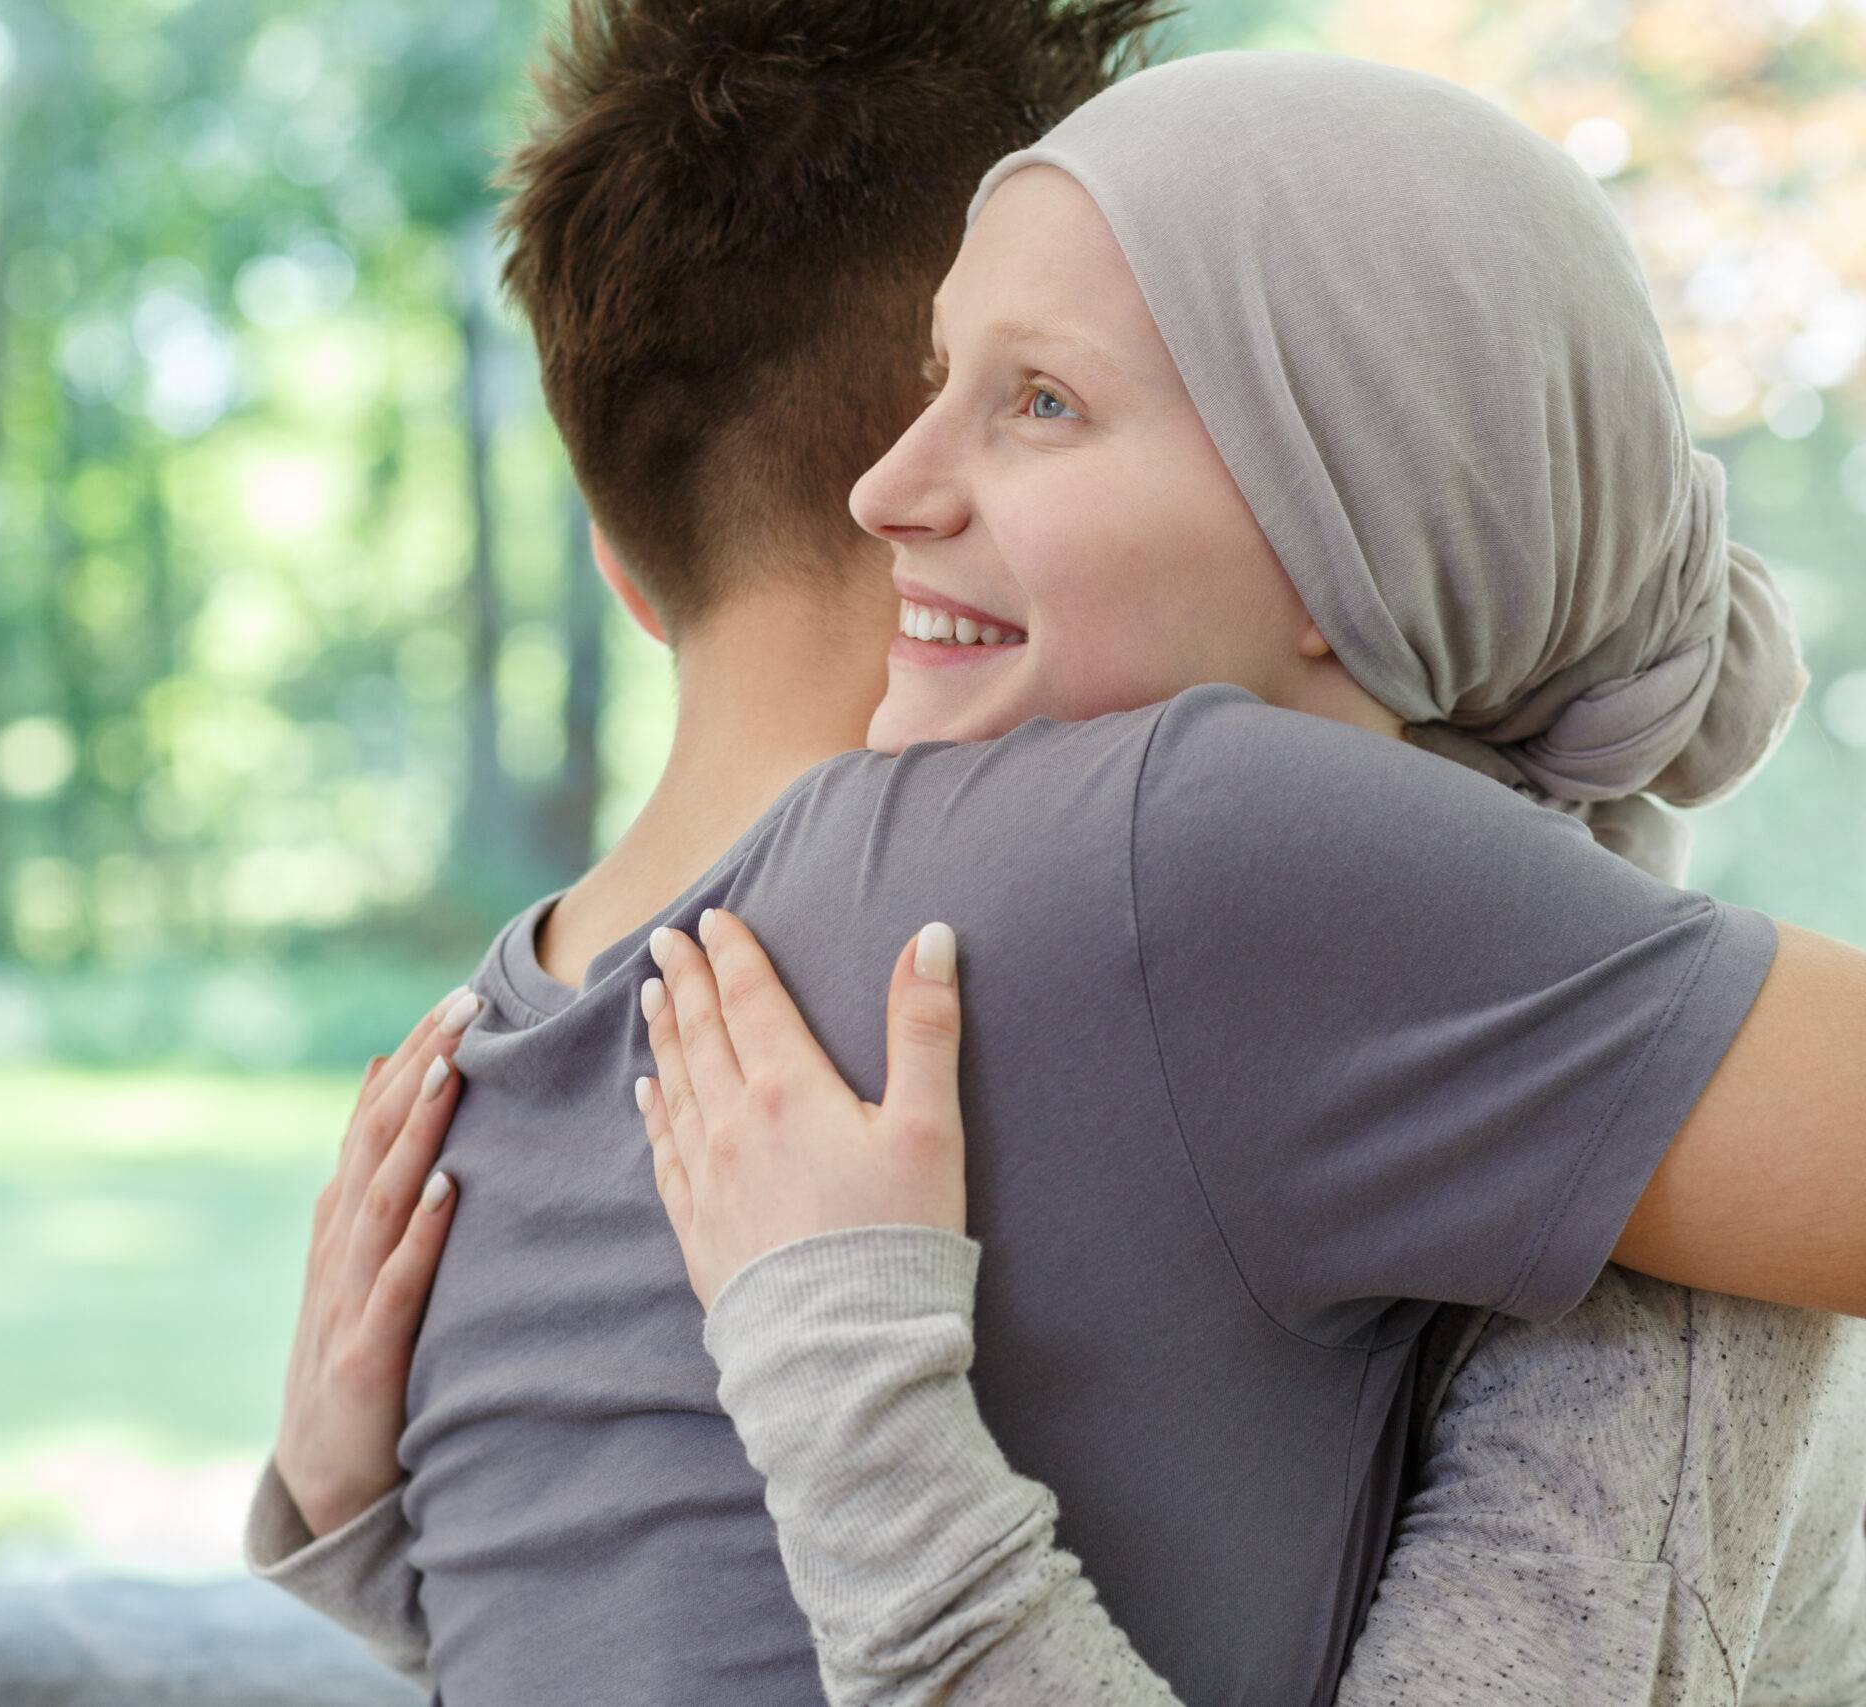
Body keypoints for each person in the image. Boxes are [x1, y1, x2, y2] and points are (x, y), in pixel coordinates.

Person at [247, 18, 1866, 1707]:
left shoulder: (489, 1053)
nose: (898, 487)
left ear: (625, 569)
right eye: (953, 380)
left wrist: (369, 1532)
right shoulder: (1184, 841)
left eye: (1039, 397)